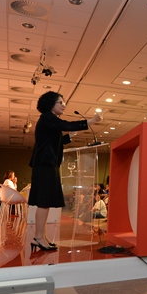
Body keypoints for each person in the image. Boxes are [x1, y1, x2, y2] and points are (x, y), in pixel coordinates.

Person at [28, 91, 100, 252]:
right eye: (60, 102)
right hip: (45, 164)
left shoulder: (48, 120)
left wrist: (69, 136)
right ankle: (38, 237)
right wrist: (91, 121)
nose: (64, 105)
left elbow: (55, 140)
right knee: (44, 202)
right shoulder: (47, 117)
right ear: (50, 104)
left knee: (45, 202)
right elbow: (66, 124)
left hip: (47, 164)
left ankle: (40, 236)